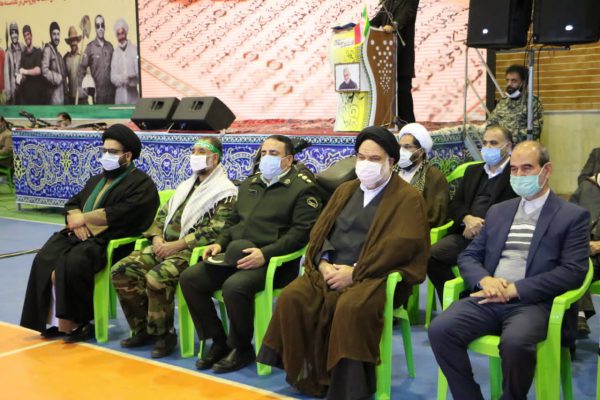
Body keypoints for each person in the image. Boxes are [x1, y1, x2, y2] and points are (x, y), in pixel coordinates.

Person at [257, 126, 429, 400]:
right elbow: (321, 232)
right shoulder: (345, 190)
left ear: (391, 162)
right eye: (361, 157)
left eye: (374, 159)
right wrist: (324, 263)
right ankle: (309, 374)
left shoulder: (408, 198)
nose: (366, 164)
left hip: (376, 276)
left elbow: (401, 248)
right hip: (331, 269)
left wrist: (355, 272)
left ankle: (348, 387)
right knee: (293, 296)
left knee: (350, 307)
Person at [428, 141, 590, 400]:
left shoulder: (572, 216)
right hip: (489, 296)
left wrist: (516, 289)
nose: (519, 175)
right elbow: (469, 255)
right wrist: (484, 280)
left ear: (546, 170)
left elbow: (573, 271)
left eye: (527, 168)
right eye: (514, 169)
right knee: (440, 329)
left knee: (515, 343)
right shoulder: (499, 211)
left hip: (534, 303)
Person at [179, 134, 322, 373]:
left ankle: (241, 347)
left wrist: (264, 254)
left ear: (288, 160)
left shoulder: (303, 189)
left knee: (234, 287)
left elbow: (301, 234)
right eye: (263, 153)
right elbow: (233, 221)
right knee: (190, 279)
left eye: (273, 154)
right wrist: (220, 244)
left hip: (273, 263)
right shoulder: (250, 184)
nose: (266, 158)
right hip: (235, 255)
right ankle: (218, 340)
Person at [20, 124, 159, 342]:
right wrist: (77, 220)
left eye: (112, 152)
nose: (106, 156)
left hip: (112, 240)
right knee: (44, 258)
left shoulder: (142, 184)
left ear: (127, 155)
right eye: (104, 151)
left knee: (73, 263)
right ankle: (54, 323)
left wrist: (85, 219)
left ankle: (82, 323)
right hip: (82, 236)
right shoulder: (97, 180)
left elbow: (126, 212)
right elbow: (74, 202)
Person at [111, 137, 237, 358]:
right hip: (163, 246)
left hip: (191, 252)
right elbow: (161, 216)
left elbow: (215, 231)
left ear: (215, 158)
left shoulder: (225, 192)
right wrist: (157, 239)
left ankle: (164, 335)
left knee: (156, 278)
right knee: (122, 270)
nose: (195, 156)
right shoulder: (185, 186)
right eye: (193, 151)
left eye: (201, 152)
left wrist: (176, 245)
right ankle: (143, 329)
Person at [427, 125, 518, 301]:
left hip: (496, 239)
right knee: (430, 256)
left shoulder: (516, 174)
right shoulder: (473, 171)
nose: (488, 147)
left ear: (508, 147)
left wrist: (482, 227)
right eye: (484, 143)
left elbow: (515, 208)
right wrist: (467, 219)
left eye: (494, 143)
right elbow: (455, 204)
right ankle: (460, 301)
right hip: (465, 234)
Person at [370, 0, 419, 123]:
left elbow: (406, 15)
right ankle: (391, 122)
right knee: (388, 93)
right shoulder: (388, 2)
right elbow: (377, 19)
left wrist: (393, 26)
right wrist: (363, 26)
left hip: (402, 54)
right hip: (386, 55)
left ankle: (409, 124)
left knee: (403, 91)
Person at [570, 147, 600, 336]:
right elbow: (569, 222)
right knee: (568, 265)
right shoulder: (587, 188)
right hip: (586, 251)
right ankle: (576, 319)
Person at [395, 122, 449, 228]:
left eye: (407, 147)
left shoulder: (433, 176)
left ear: (421, 151)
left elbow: (435, 217)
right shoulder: (392, 171)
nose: (401, 151)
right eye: (400, 147)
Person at [486, 64, 544, 143]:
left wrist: (508, 140)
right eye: (507, 80)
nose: (509, 84)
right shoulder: (503, 102)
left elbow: (535, 130)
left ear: (523, 83)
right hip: (501, 146)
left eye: (514, 81)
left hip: (522, 147)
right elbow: (491, 124)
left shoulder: (533, 102)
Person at [79, 15, 115, 104]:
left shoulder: (110, 47)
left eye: (102, 25)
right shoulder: (90, 47)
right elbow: (81, 69)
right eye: (98, 26)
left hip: (111, 95)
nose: (100, 28)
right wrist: (83, 88)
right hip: (98, 95)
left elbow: (116, 68)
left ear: (105, 27)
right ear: (95, 28)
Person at [110, 18, 139, 105]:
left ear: (126, 33)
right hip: (120, 97)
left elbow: (139, 73)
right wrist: (122, 79)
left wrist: (131, 79)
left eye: (122, 33)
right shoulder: (115, 53)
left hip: (133, 96)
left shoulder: (134, 49)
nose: (121, 37)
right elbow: (113, 77)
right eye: (118, 34)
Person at [16, 25, 43, 105]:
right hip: (26, 96)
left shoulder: (37, 52)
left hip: (37, 96)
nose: (27, 37)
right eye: (25, 36)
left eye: (28, 34)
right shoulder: (23, 55)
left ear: (31, 35)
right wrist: (20, 77)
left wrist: (25, 71)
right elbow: (21, 73)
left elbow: (38, 70)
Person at [42, 22, 67, 105]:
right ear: (50, 35)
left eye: (58, 34)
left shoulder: (59, 54)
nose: (56, 37)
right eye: (54, 34)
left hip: (61, 98)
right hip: (52, 98)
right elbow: (44, 71)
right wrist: (57, 78)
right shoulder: (47, 50)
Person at [63, 26, 87, 105]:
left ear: (77, 41)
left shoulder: (83, 56)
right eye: (71, 41)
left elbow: (89, 77)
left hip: (83, 99)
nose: (73, 43)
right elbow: (63, 78)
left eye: (74, 40)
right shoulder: (66, 58)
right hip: (71, 99)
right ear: (69, 43)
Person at [4, 22, 22, 105]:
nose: (14, 35)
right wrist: (8, 95)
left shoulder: (22, 49)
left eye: (16, 33)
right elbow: (6, 76)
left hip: (23, 89)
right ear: (10, 36)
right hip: (13, 90)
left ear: (18, 34)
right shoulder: (8, 53)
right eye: (12, 33)